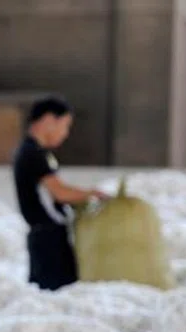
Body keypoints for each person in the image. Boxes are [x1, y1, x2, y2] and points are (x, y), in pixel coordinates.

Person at [12, 95, 110, 290]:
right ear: (49, 120)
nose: (65, 134)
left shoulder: (37, 152)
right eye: (65, 126)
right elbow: (59, 193)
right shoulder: (33, 153)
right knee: (55, 291)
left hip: (48, 235)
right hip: (47, 236)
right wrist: (92, 194)